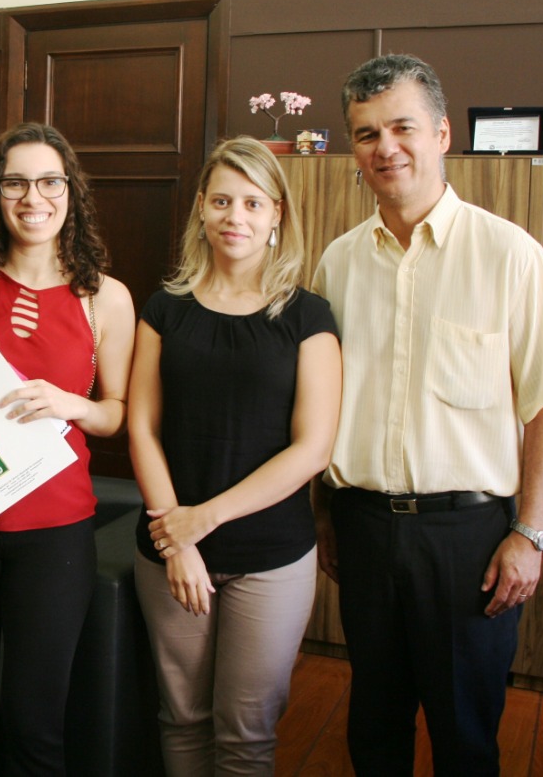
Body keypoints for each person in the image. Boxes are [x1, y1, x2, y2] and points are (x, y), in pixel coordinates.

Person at [310, 53, 543, 776]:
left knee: (466, 738)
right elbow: (323, 402)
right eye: (366, 134)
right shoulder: (336, 265)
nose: (385, 147)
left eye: (401, 127)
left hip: (469, 542)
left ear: (442, 132)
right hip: (364, 529)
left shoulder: (509, 256)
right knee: (373, 727)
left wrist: (531, 532)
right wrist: (326, 514)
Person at [0, 122, 135, 776]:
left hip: (55, 531)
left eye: (48, 181)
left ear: (69, 193)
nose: (32, 196)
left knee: (37, 720)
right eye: (16, 181)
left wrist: (72, 403)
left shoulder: (106, 297)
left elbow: (115, 414)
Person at [128, 136, 342, 775]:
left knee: (247, 736)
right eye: (221, 200)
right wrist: (178, 539)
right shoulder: (164, 309)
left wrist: (204, 519)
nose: (235, 216)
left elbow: (313, 449)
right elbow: (141, 428)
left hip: (269, 558)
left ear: (277, 213)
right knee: (182, 720)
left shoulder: (309, 316)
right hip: (169, 551)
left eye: (252, 202)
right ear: (200, 208)